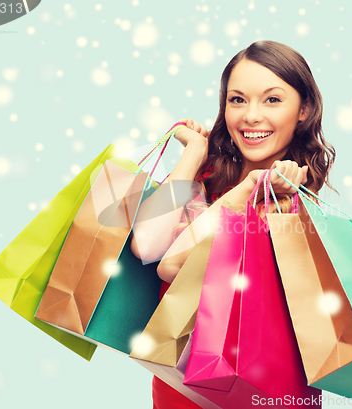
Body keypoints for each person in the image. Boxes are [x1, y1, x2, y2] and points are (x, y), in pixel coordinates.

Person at [131, 40, 336, 409]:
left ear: (303, 110)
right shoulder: (209, 173)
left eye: (272, 100)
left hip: (253, 390)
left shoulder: (292, 209)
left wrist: (250, 188)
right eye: (237, 99)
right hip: (179, 380)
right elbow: (146, 245)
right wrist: (193, 156)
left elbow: (173, 264)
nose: (251, 116)